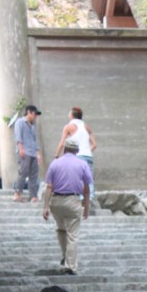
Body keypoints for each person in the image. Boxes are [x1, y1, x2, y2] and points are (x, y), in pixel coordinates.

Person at [42, 138, 92, 275]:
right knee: (73, 234)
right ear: (77, 151)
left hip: (56, 201)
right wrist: (86, 207)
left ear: (65, 149)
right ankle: (70, 265)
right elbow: (87, 189)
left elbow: (49, 186)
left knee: (61, 229)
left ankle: (65, 255)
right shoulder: (83, 164)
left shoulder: (55, 164)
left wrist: (46, 207)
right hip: (73, 200)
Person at [54, 107, 97, 198]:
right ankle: (91, 199)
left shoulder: (69, 127)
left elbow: (62, 143)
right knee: (88, 179)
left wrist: (57, 156)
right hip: (88, 156)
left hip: (77, 156)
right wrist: (88, 151)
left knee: (78, 179)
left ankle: (81, 199)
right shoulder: (86, 127)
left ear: (71, 115)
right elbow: (94, 144)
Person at [13, 105, 43, 203]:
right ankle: (17, 193)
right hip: (25, 151)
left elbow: (35, 141)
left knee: (33, 175)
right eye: (34, 114)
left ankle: (33, 196)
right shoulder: (20, 122)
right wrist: (21, 148)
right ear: (29, 112)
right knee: (23, 173)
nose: (35, 116)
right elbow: (18, 137)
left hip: (33, 152)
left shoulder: (32, 126)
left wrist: (38, 154)